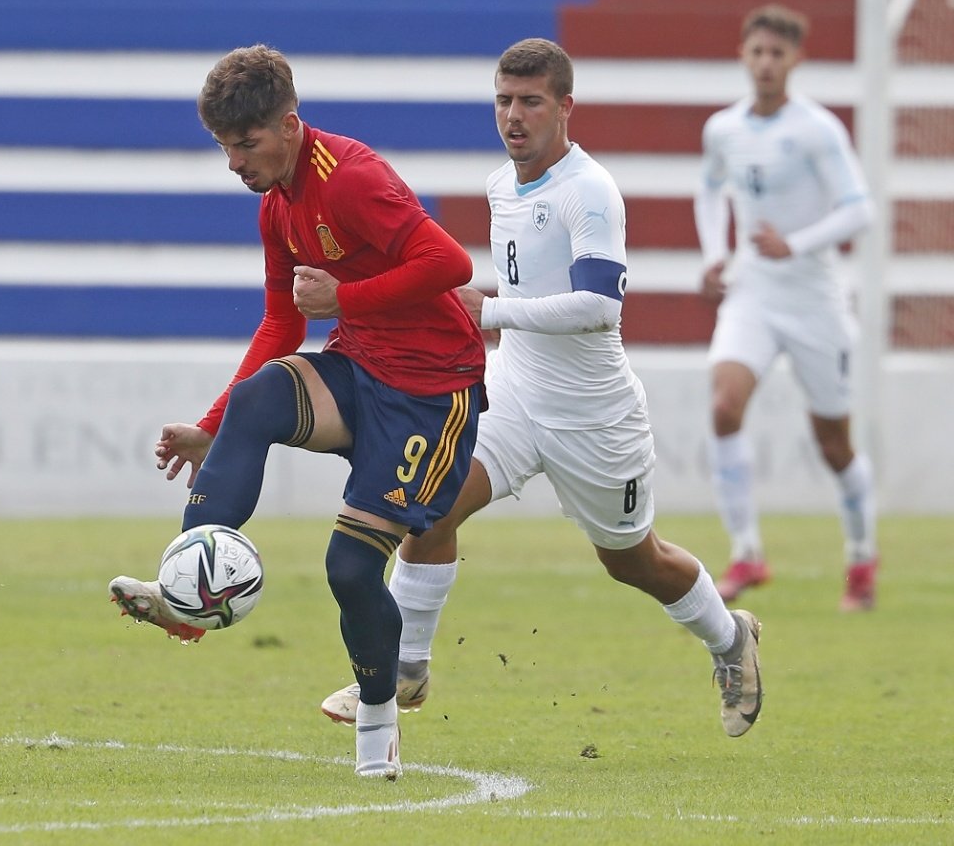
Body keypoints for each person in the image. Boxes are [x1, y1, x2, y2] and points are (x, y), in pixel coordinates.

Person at [321, 37, 763, 738]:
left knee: (633, 561)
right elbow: (526, 289)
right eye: (503, 100)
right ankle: (405, 668)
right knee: (429, 509)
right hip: (514, 392)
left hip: (593, 415)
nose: (513, 116)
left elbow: (599, 307)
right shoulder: (502, 184)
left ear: (565, 107)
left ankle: (730, 638)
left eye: (530, 101)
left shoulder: (589, 191)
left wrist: (491, 311)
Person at [107, 44, 485, 779]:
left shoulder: (352, 179)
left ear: (288, 125)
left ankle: (378, 720)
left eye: (245, 144)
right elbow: (282, 323)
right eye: (224, 146)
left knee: (350, 568)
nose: (233, 163)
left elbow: (450, 264)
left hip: (432, 393)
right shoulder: (277, 204)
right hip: (360, 366)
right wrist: (212, 425)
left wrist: (346, 298)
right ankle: (187, 592)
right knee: (259, 398)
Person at [694, 5, 878, 610]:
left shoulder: (817, 130)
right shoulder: (723, 128)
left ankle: (861, 556)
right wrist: (715, 254)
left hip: (814, 301)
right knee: (724, 406)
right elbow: (709, 189)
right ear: (743, 55)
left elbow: (860, 210)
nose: (766, 64)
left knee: (833, 444)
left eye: (778, 53)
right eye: (758, 52)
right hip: (753, 292)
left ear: (797, 59)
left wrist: (794, 244)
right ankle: (746, 551)